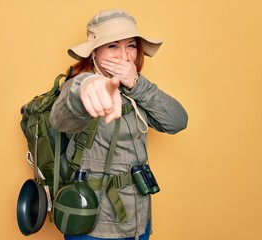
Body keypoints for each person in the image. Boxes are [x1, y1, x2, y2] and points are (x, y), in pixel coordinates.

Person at [49, 9, 188, 240]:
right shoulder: (79, 84)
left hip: (138, 220)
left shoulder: (135, 91)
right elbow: (62, 116)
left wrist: (136, 84)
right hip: (93, 224)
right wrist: (87, 87)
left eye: (131, 45)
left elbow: (177, 121)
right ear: (94, 52)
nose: (124, 56)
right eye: (113, 46)